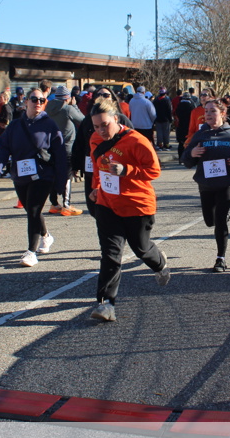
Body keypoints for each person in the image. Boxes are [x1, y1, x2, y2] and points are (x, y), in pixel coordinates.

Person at [87, 98, 170, 321]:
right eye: (96, 126)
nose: (101, 131)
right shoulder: (95, 139)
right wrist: (95, 187)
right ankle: (106, 304)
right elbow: (97, 166)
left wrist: (126, 170)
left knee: (141, 248)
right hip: (107, 204)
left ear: (116, 119)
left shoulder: (136, 140)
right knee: (111, 255)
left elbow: (154, 171)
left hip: (137, 205)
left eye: (105, 125)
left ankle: (159, 263)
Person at [0, 88, 69, 266]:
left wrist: (61, 181)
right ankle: (46, 236)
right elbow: (3, 146)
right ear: (26, 101)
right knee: (31, 210)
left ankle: (31, 252)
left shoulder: (49, 125)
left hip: (43, 174)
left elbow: (60, 154)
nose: (38, 103)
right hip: (21, 175)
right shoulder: (15, 126)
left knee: (34, 210)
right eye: (34, 99)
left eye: (42, 100)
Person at [181, 98, 230, 272]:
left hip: (227, 183)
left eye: (212, 111)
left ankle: (220, 259)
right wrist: (192, 153)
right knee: (210, 221)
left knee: (220, 219)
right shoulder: (200, 135)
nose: (208, 114)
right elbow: (186, 160)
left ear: (222, 113)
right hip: (206, 183)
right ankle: (219, 218)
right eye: (206, 111)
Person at [72, 88, 133, 216]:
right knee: (94, 205)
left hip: (116, 169)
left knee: (114, 205)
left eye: (106, 95)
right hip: (92, 169)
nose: (102, 97)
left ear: (113, 98)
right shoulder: (87, 120)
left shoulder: (121, 119)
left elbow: (133, 143)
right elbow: (79, 144)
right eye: (98, 95)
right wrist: (75, 165)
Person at [45, 84, 85, 216]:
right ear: (67, 98)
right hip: (67, 147)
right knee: (67, 176)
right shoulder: (68, 109)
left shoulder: (48, 107)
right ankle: (66, 205)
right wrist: (75, 106)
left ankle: (54, 204)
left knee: (54, 175)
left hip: (52, 146)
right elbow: (83, 120)